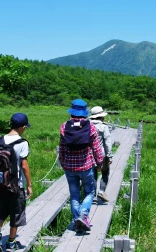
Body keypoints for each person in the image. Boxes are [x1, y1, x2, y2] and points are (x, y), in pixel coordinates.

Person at [58, 99, 104, 233]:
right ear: (84, 112)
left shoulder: (63, 126)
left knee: (74, 195)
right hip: (86, 166)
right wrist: (100, 164)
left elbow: (61, 148)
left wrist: (63, 163)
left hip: (69, 168)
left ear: (72, 111)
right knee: (90, 192)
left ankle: (76, 220)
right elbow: (96, 149)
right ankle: (83, 215)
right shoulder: (90, 127)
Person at [0, 113, 32, 252]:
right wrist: (29, 185)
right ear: (23, 127)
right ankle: (11, 242)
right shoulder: (22, 143)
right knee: (16, 214)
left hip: (0, 184)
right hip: (15, 186)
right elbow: (24, 166)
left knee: (3, 210)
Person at [88, 106, 113, 202]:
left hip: (90, 155)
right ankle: (101, 191)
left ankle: (93, 194)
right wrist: (109, 156)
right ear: (101, 117)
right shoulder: (103, 127)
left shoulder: (87, 126)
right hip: (102, 154)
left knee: (93, 174)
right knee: (105, 172)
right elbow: (107, 142)